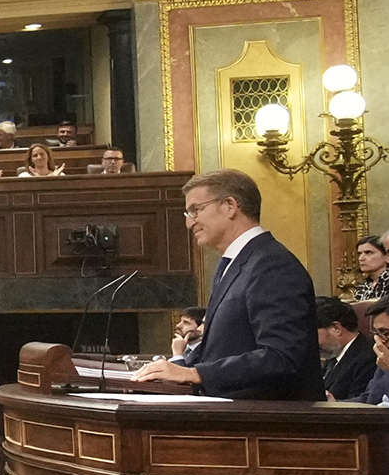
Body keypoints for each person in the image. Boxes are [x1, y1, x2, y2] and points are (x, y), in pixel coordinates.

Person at [134, 170, 325, 400]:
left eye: (195, 210)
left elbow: (281, 356)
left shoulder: (272, 265)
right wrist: (176, 367)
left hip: (271, 424)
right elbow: (223, 349)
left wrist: (196, 373)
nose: (188, 222)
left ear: (230, 205)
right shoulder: (234, 263)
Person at [317, 298, 373, 401]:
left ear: (336, 328)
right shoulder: (335, 353)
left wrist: (334, 403)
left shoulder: (368, 358)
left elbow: (363, 407)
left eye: (314, 334)